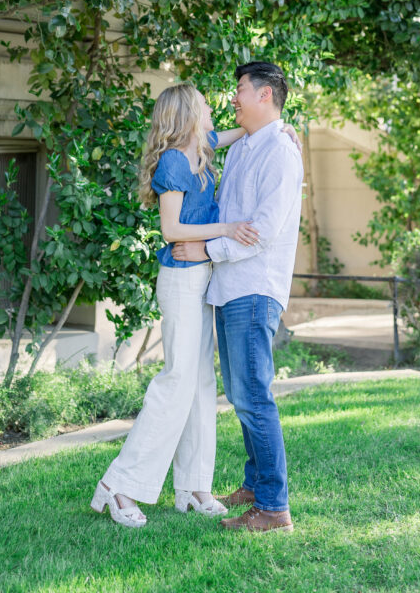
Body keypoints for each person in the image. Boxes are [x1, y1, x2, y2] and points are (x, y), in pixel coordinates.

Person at [91, 83, 259, 528]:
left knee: (202, 383)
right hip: (181, 282)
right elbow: (170, 230)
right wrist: (227, 229)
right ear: (187, 114)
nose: (211, 110)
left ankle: (192, 486)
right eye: (204, 105)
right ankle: (119, 485)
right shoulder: (173, 161)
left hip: (202, 277)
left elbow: (233, 134)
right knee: (177, 381)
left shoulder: (201, 146)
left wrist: (280, 130)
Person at [173, 62, 304, 534]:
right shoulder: (249, 144)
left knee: (254, 396)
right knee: (242, 393)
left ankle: (273, 508)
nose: (233, 98)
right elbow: (205, 144)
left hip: (254, 287)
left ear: (265, 95)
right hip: (229, 287)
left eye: (241, 90)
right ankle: (255, 486)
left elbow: (264, 231)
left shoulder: (281, 154)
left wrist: (205, 247)